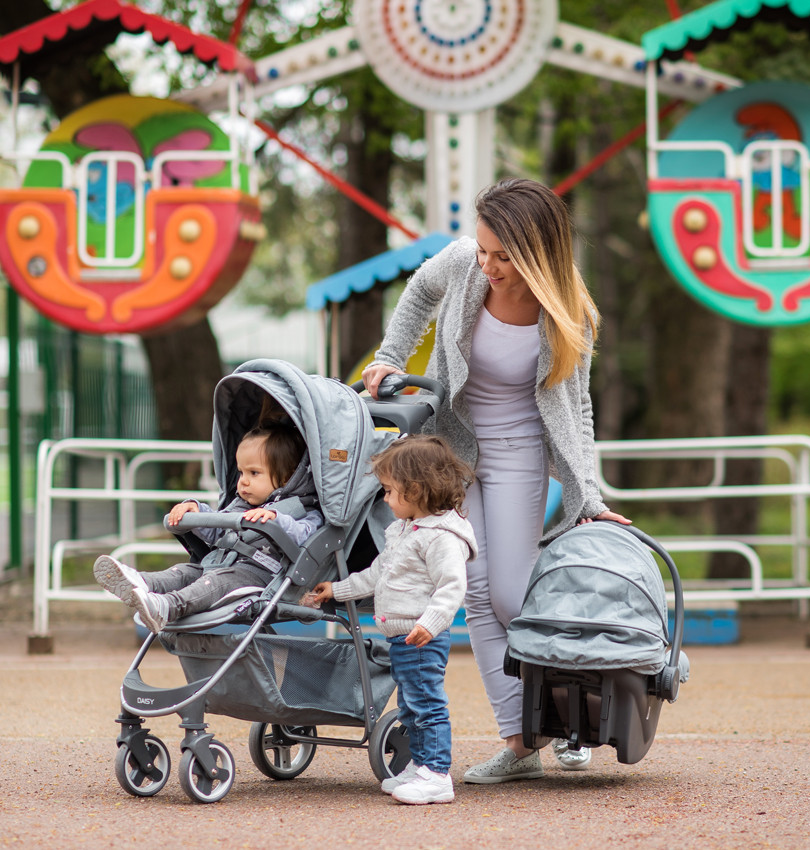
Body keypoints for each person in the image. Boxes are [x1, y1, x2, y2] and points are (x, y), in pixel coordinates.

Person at [361, 177, 630, 783]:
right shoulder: (462, 265)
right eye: (483, 250)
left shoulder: (570, 313)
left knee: (511, 595)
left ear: (538, 252)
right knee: (471, 593)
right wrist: (390, 357)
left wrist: (588, 494)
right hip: (450, 454)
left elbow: (578, 409)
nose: (488, 266)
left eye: (503, 256)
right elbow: (417, 294)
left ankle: (570, 719)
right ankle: (520, 741)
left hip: (520, 455)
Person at [311, 435, 477, 806]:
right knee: (410, 706)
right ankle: (420, 766)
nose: (384, 499)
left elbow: (452, 586)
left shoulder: (440, 537)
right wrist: (337, 590)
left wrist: (430, 624)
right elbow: (376, 574)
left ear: (415, 490)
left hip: (421, 637)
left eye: (389, 491)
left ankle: (436, 775)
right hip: (403, 637)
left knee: (426, 704)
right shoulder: (404, 530)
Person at [94, 421, 323, 634]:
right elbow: (218, 531)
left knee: (214, 582)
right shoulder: (242, 505)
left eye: (254, 473)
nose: (242, 481)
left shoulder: (303, 510)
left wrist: (275, 519)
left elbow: (306, 535)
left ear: (287, 477)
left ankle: (167, 607)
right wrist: (197, 512)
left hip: (260, 578)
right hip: (220, 565)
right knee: (186, 572)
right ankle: (141, 584)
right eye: (241, 472)